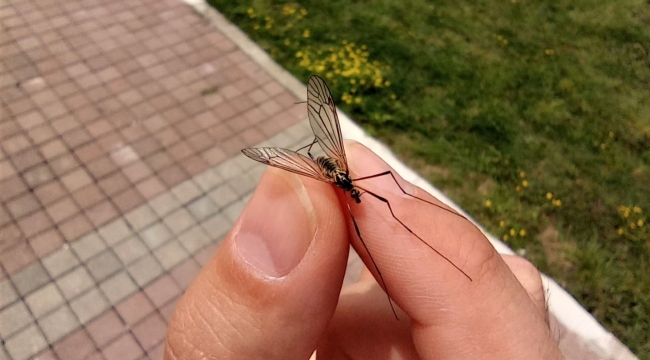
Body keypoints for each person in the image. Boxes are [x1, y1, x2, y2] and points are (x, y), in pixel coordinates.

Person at [164, 142, 565, 360]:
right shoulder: (331, 179)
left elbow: (379, 200)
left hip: (338, 170)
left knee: (382, 209)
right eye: (351, 191)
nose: (354, 195)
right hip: (322, 173)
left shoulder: (355, 183)